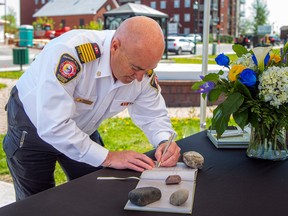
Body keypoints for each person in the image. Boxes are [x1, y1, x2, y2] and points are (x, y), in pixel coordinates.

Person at [3, 16, 181, 201]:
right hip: (32, 127)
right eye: (135, 68)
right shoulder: (71, 53)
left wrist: (164, 141)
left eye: (148, 69)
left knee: (97, 188)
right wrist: (110, 157)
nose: (139, 78)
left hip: (82, 128)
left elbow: (153, 115)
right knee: (36, 202)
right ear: (115, 47)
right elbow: (53, 125)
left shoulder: (140, 69)